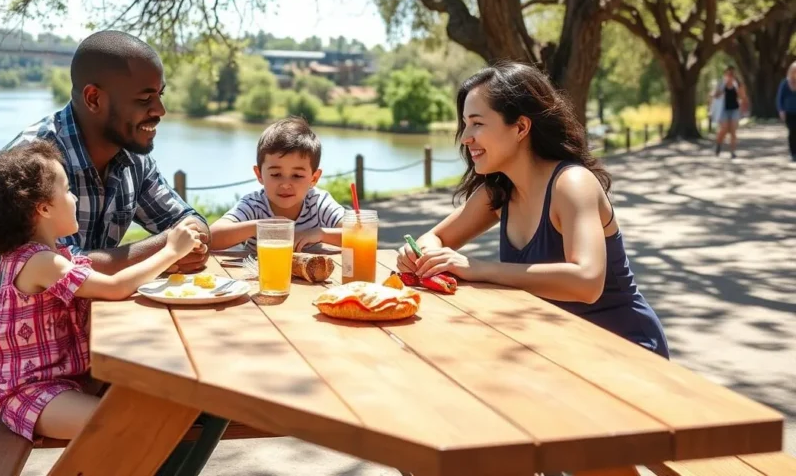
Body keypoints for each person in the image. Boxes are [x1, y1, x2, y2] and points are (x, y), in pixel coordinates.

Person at [0, 30, 210, 392]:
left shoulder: (131, 155)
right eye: (145, 98)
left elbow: (189, 220)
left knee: (201, 366)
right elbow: (68, 271)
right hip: (0, 356)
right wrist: (169, 250)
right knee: (174, 386)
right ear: (93, 99)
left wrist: (188, 238)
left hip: (71, 337)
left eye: (160, 95)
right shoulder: (36, 166)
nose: (160, 111)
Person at [397, 62, 670, 359]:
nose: (465, 137)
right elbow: (433, 238)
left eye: (477, 123)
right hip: (565, 349)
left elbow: (587, 281)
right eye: (465, 124)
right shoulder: (499, 191)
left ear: (521, 127)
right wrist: (420, 256)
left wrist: (479, 268)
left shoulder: (572, 184)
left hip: (628, 350)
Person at [0, 140, 203, 441]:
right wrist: (171, 251)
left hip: (64, 380)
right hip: (32, 393)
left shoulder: (56, 255)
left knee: (158, 410)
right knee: (124, 428)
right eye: (68, 190)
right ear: (44, 208)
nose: (74, 198)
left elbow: (110, 279)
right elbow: (114, 287)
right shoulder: (39, 262)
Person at [210, 117, 346, 251]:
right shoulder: (254, 204)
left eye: (297, 176)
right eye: (276, 175)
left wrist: (321, 234)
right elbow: (210, 237)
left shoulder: (319, 202)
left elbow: (361, 234)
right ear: (259, 174)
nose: (286, 184)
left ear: (314, 178)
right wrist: (260, 226)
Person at [711, 66, 748, 158]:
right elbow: (715, 95)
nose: (730, 76)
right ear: (725, 74)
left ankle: (732, 152)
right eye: (728, 74)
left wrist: (739, 90)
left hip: (734, 109)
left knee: (733, 131)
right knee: (724, 129)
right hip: (723, 109)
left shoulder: (738, 84)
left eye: (732, 74)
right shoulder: (721, 84)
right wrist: (722, 89)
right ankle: (718, 145)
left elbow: (742, 97)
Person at [778, 61, 796, 162]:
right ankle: (793, 153)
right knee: (793, 132)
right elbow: (779, 98)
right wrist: (781, 110)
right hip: (789, 111)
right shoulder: (785, 83)